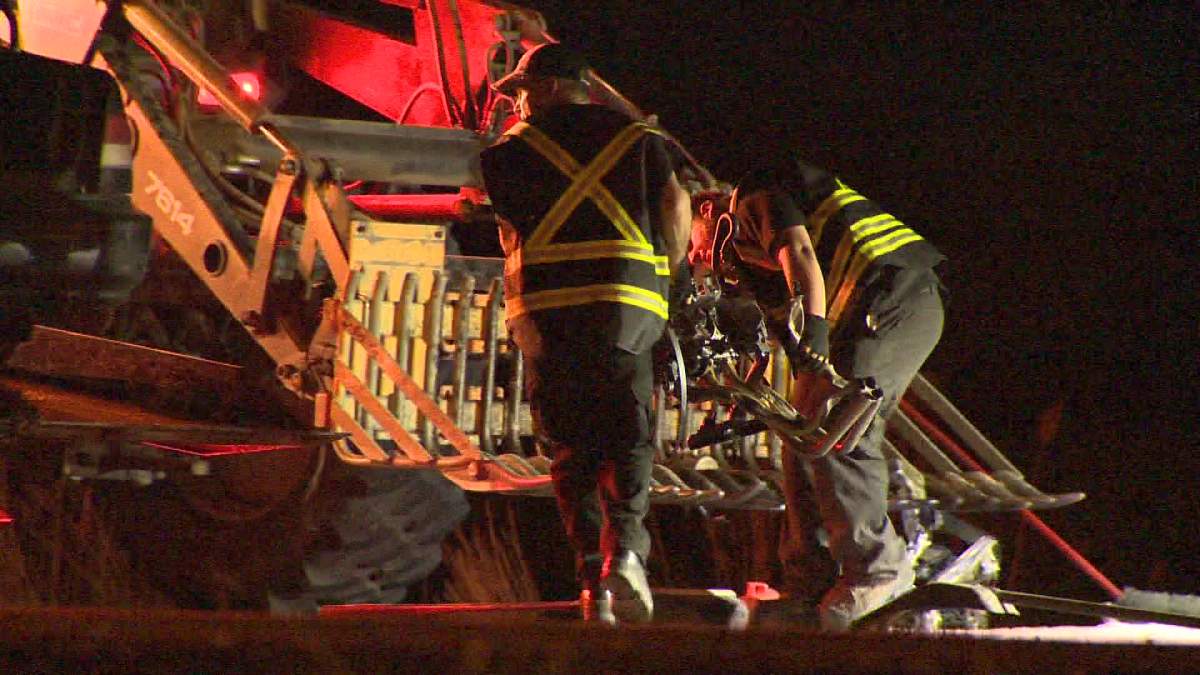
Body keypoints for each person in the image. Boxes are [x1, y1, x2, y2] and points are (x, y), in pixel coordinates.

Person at [479, 43, 692, 623]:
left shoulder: (504, 153)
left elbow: (508, 231)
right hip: (626, 308)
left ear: (551, 87)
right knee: (628, 436)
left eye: (522, 91)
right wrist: (673, 276)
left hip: (546, 317)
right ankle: (625, 556)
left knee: (570, 449)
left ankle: (589, 579)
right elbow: (675, 206)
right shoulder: (639, 140)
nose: (517, 104)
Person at [689, 156, 945, 630]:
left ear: (704, 209)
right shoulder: (751, 265)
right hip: (872, 309)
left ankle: (877, 569)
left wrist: (815, 343)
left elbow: (801, 254)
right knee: (800, 439)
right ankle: (811, 584)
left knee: (835, 429)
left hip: (893, 293)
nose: (693, 260)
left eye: (689, 244)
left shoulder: (754, 194)